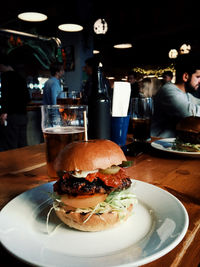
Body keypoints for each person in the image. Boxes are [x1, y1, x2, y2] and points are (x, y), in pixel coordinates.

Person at [151, 53, 200, 138]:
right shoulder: (168, 91)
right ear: (186, 77)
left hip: (172, 146)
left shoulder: (187, 95)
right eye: (198, 77)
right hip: (156, 144)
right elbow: (191, 115)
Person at [0, 54, 30, 151]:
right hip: (23, 115)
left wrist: (4, 112)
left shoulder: (5, 76)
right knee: (23, 144)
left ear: (2, 65)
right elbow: (27, 98)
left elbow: (5, 95)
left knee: (11, 144)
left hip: (12, 115)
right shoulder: (21, 77)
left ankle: (13, 166)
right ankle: (24, 165)